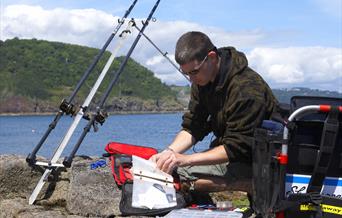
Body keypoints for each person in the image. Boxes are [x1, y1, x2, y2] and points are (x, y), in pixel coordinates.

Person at [150, 31, 279, 194]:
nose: (191, 79)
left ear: (211, 57)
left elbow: (237, 147)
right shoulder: (202, 80)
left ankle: (252, 186)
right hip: (233, 151)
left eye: (194, 72)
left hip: (259, 159)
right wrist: (169, 153)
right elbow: (193, 125)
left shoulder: (246, 89)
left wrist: (185, 160)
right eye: (186, 73)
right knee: (167, 170)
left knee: (182, 176)